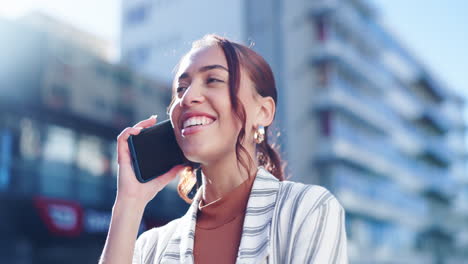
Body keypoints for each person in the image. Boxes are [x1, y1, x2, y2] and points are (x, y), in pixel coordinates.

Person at [99, 34, 348, 264]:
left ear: (263, 112)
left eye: (214, 80)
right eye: (181, 88)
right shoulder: (151, 247)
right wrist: (128, 204)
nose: (187, 97)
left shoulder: (307, 210)